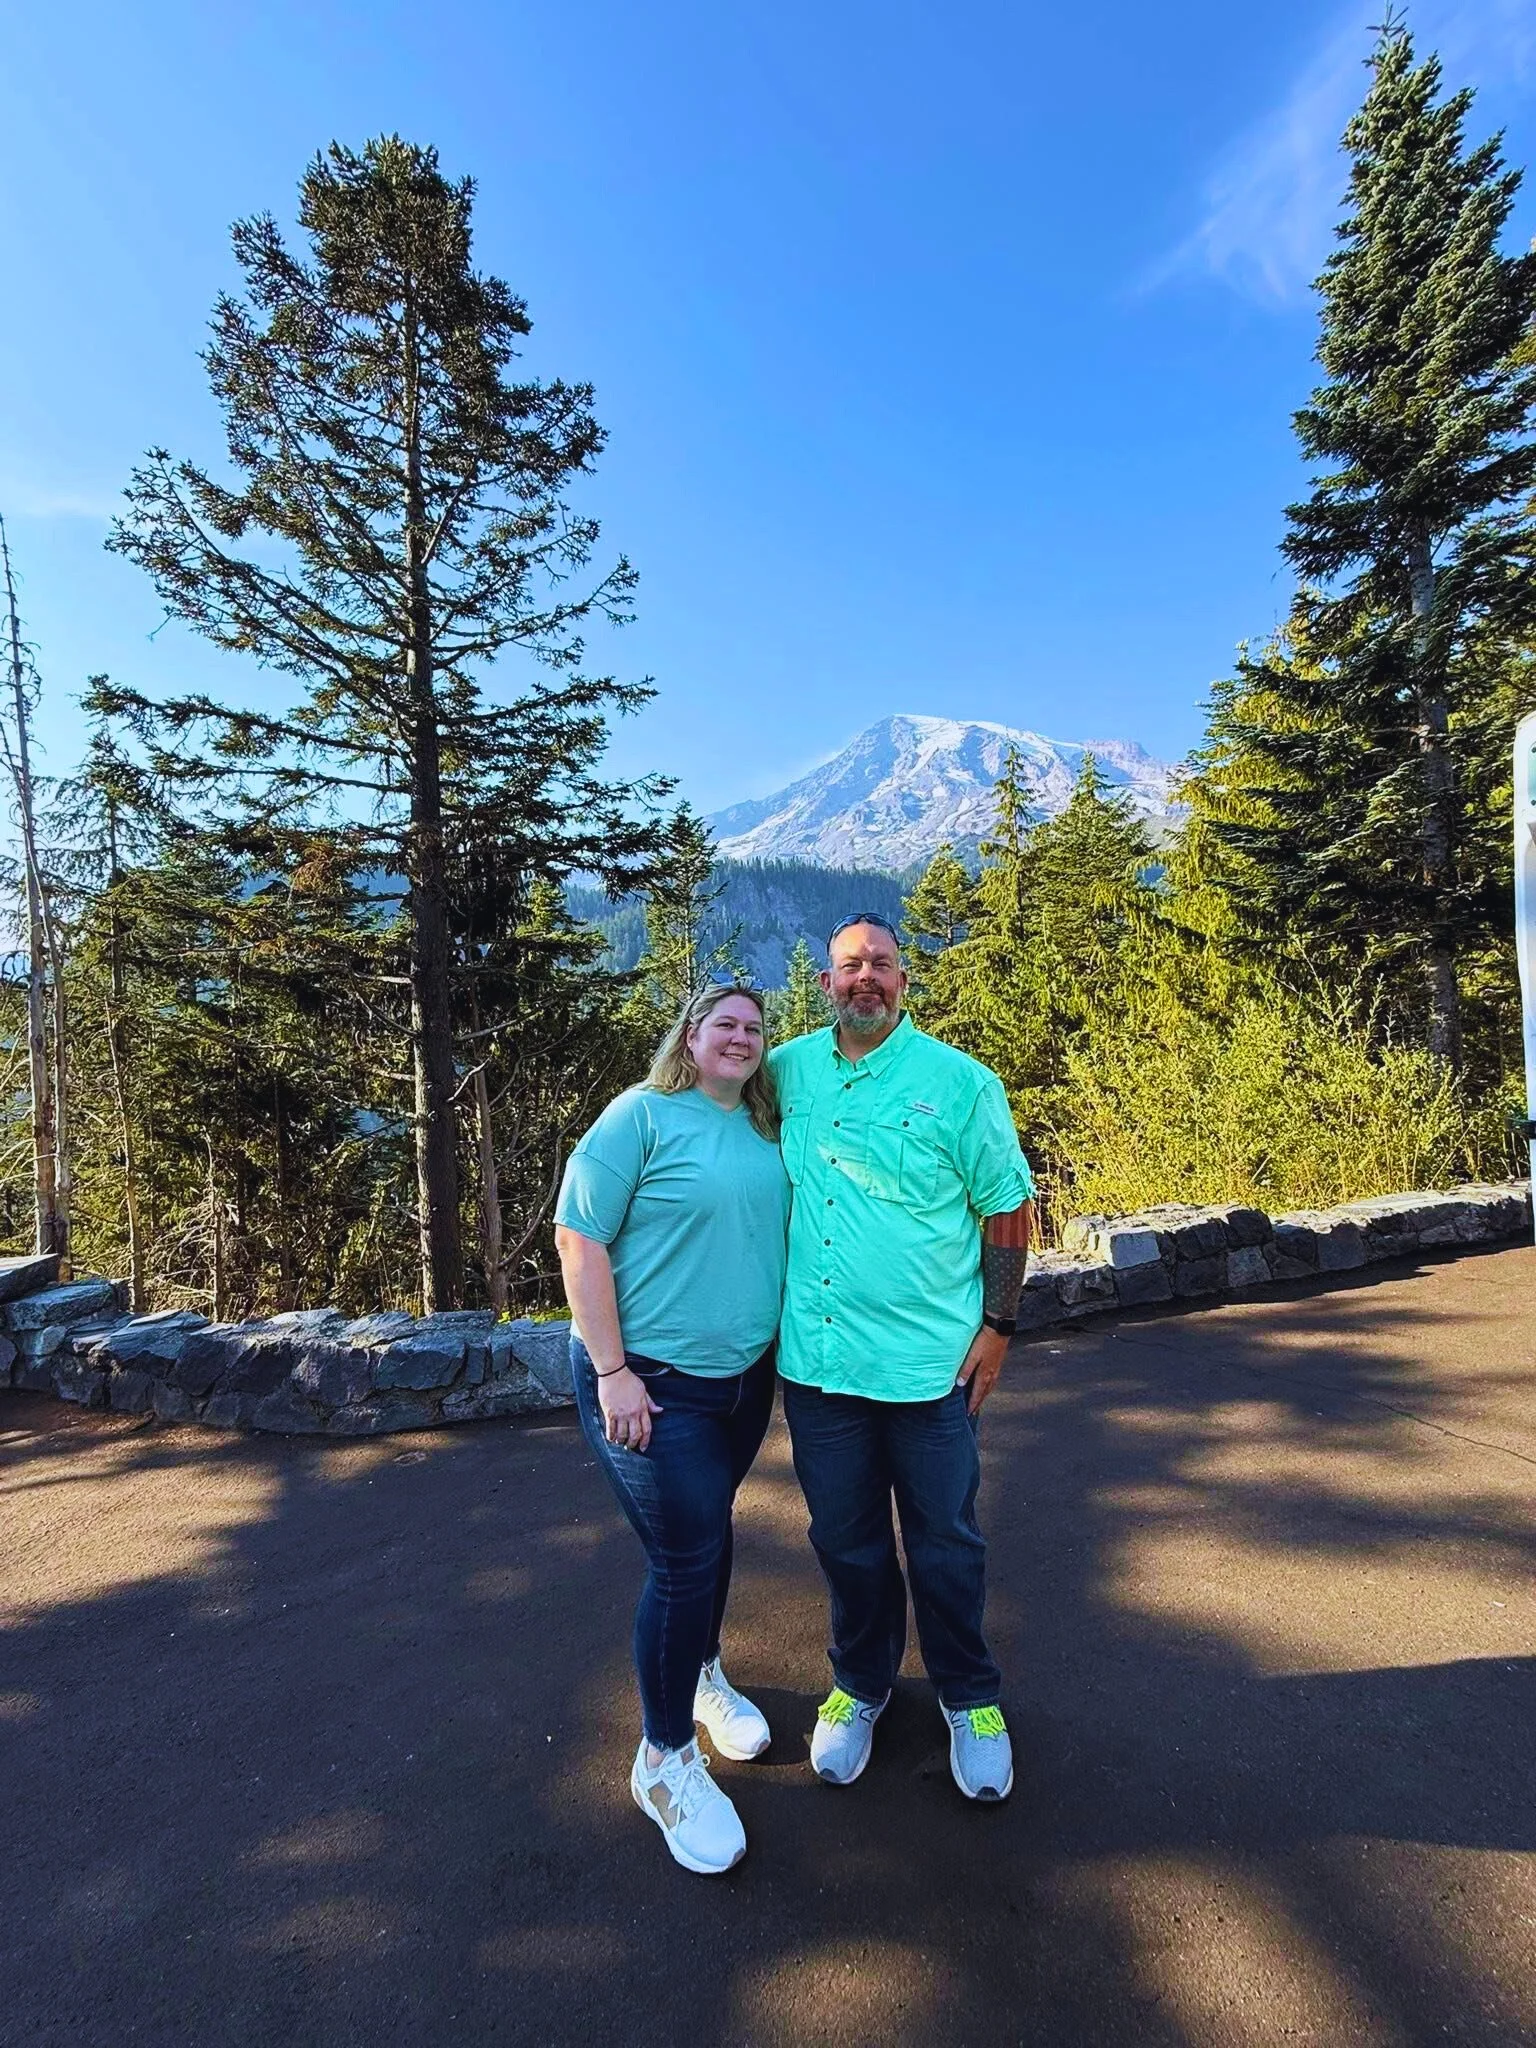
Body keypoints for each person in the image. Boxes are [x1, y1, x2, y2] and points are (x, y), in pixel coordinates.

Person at [768, 912, 1035, 1802]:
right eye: (850, 965)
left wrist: (999, 1327)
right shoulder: (786, 1073)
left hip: (929, 1371)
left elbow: (1006, 1205)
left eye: (881, 963)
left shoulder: (960, 1083)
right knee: (846, 1543)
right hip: (820, 1369)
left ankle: (971, 1697)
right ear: (826, 984)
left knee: (946, 1544)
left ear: (903, 981)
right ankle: (861, 1683)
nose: (866, 978)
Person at [554, 980, 788, 1876]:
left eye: (754, 1028)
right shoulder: (640, 1117)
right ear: (690, 1037)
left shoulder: (763, 1125)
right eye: (724, 1023)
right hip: (648, 1383)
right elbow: (578, 1238)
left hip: (741, 1381)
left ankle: (701, 1674)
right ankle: (663, 1761)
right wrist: (612, 1371)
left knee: (710, 1533)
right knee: (685, 1559)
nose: (741, 1037)